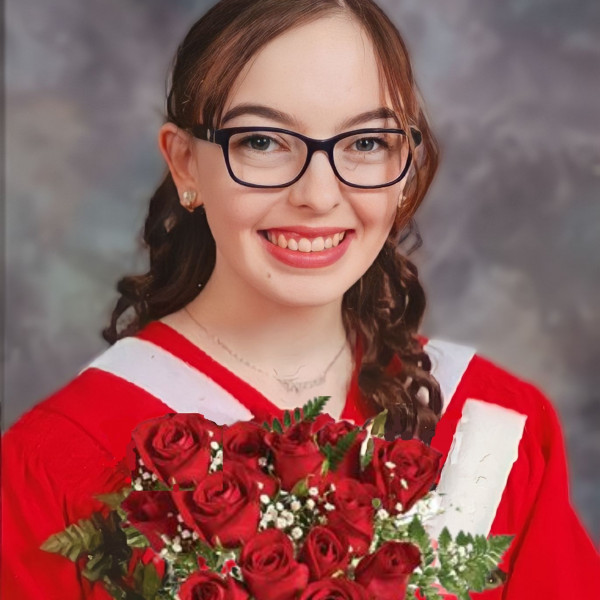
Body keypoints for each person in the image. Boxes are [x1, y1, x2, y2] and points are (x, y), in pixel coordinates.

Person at [2, 0, 599, 598]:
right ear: (185, 163)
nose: (317, 195)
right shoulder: (58, 461)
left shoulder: (492, 421)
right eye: (262, 141)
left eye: (366, 143)